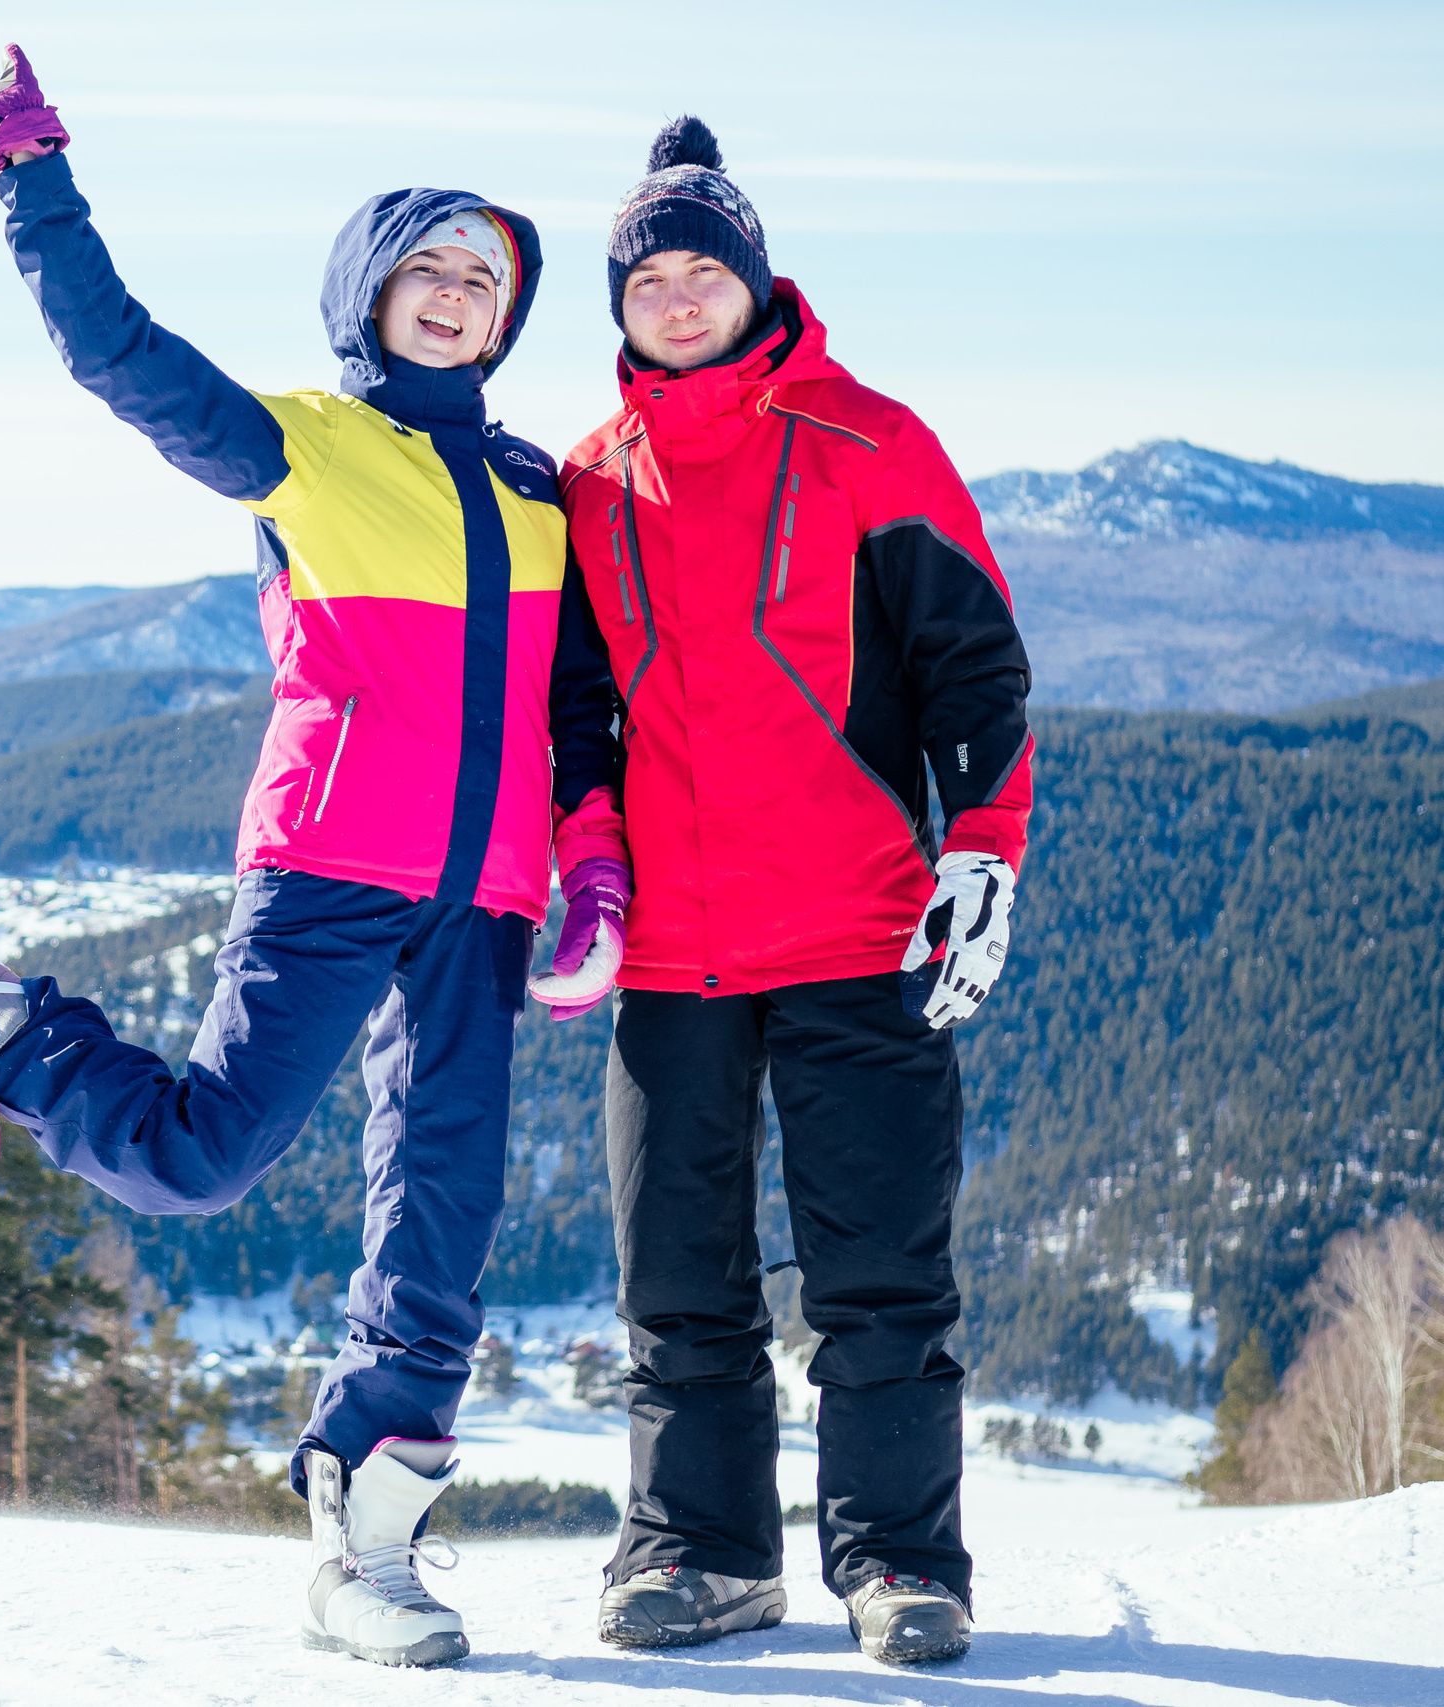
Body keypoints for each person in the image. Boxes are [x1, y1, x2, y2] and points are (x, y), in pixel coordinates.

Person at [0, 44, 629, 1671]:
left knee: (443, 1218)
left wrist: (587, 860)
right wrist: (34, 173)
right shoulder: (305, 448)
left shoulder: (543, 492)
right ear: (371, 295)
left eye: (488, 275)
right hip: (331, 865)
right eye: (431, 269)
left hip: (488, 904)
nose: (459, 295)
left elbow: (580, 702)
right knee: (200, 1160)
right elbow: (119, 354)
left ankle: (371, 1546)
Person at [557, 118, 1033, 1667]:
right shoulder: (587, 479)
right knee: (676, 1283)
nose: (680, 299)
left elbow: (974, 665)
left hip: (857, 929)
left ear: (757, 281)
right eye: (653, 277)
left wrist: (983, 851)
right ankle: (701, 1555)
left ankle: (901, 1565)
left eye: (707, 270)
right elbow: (575, 718)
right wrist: (585, 858)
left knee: (882, 1277)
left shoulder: (869, 439)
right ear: (620, 302)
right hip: (670, 954)